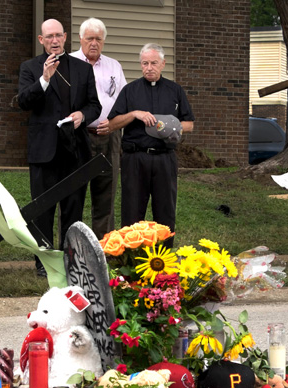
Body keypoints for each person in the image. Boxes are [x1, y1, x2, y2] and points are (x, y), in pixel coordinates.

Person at [18, 19, 101, 277]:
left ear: (65, 37)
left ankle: (70, 261)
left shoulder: (82, 68)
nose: (54, 40)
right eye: (49, 37)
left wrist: (82, 116)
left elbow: (94, 105)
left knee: (73, 209)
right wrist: (44, 79)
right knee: (42, 209)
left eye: (58, 35)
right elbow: (23, 101)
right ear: (41, 40)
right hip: (44, 150)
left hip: (74, 150)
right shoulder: (30, 67)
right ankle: (44, 262)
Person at [108, 43, 195, 247]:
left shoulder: (175, 91)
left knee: (165, 212)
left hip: (164, 158)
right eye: (145, 63)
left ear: (163, 64)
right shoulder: (130, 91)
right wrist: (133, 114)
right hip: (135, 158)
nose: (149, 67)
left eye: (154, 63)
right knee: (131, 212)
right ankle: (130, 265)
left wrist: (169, 126)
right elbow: (112, 124)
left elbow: (189, 124)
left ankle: (163, 265)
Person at [71, 18, 127, 240]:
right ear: (80, 39)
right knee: (74, 195)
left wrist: (113, 124)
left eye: (98, 39)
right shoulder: (69, 63)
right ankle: (72, 250)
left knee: (106, 195)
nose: (94, 43)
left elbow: (123, 101)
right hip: (78, 137)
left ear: (104, 41)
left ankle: (104, 252)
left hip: (108, 136)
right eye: (89, 38)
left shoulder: (114, 66)